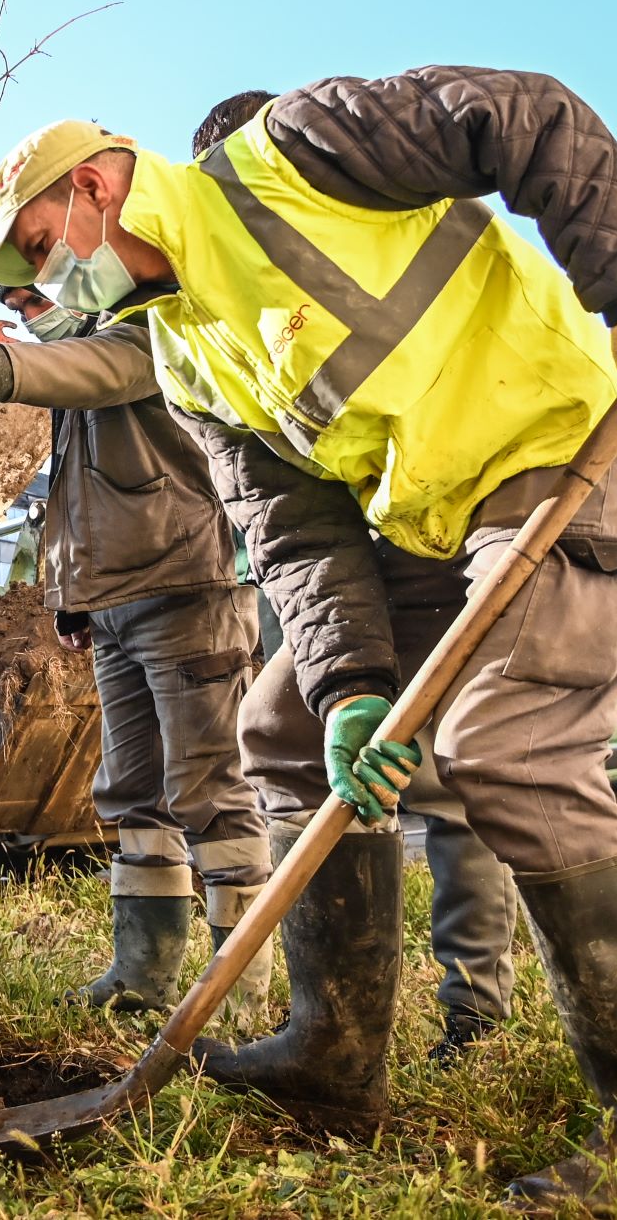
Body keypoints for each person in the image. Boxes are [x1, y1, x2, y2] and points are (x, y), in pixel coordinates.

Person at [0, 68, 617, 1211]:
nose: (48, 282)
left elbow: (526, 117)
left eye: (40, 247)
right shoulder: (179, 354)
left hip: (559, 452)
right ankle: (330, 1055)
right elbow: (295, 533)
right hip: (421, 526)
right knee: (281, 726)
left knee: (506, 749)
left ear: (90, 187)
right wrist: (351, 684)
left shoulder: (293, 151)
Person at [190, 93, 519, 1062]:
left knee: (458, 769)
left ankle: (471, 1018)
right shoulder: (226, 306)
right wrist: (345, 674)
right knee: (294, 727)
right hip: (360, 547)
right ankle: (337, 1033)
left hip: (458, 511)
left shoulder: (363, 232)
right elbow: (289, 514)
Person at [0, 217, 272, 1023]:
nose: (28, 302)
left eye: (33, 283)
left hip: (187, 591)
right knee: (131, 794)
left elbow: (93, 368)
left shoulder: (157, 324)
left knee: (211, 792)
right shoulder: (79, 344)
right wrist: (68, 598)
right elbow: (82, 488)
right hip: (113, 607)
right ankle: (141, 977)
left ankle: (240, 996)